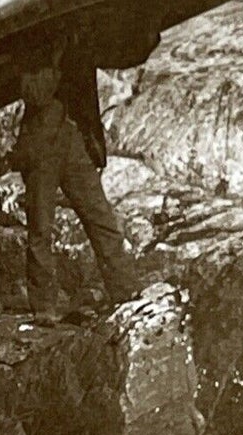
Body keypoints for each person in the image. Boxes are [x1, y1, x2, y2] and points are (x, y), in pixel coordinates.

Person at [10, 37, 145, 322]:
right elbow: (36, 94)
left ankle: (125, 293)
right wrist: (57, 59)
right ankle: (44, 307)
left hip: (75, 144)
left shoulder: (80, 42)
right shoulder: (31, 46)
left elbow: (126, 52)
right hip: (41, 147)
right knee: (40, 230)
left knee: (102, 221)